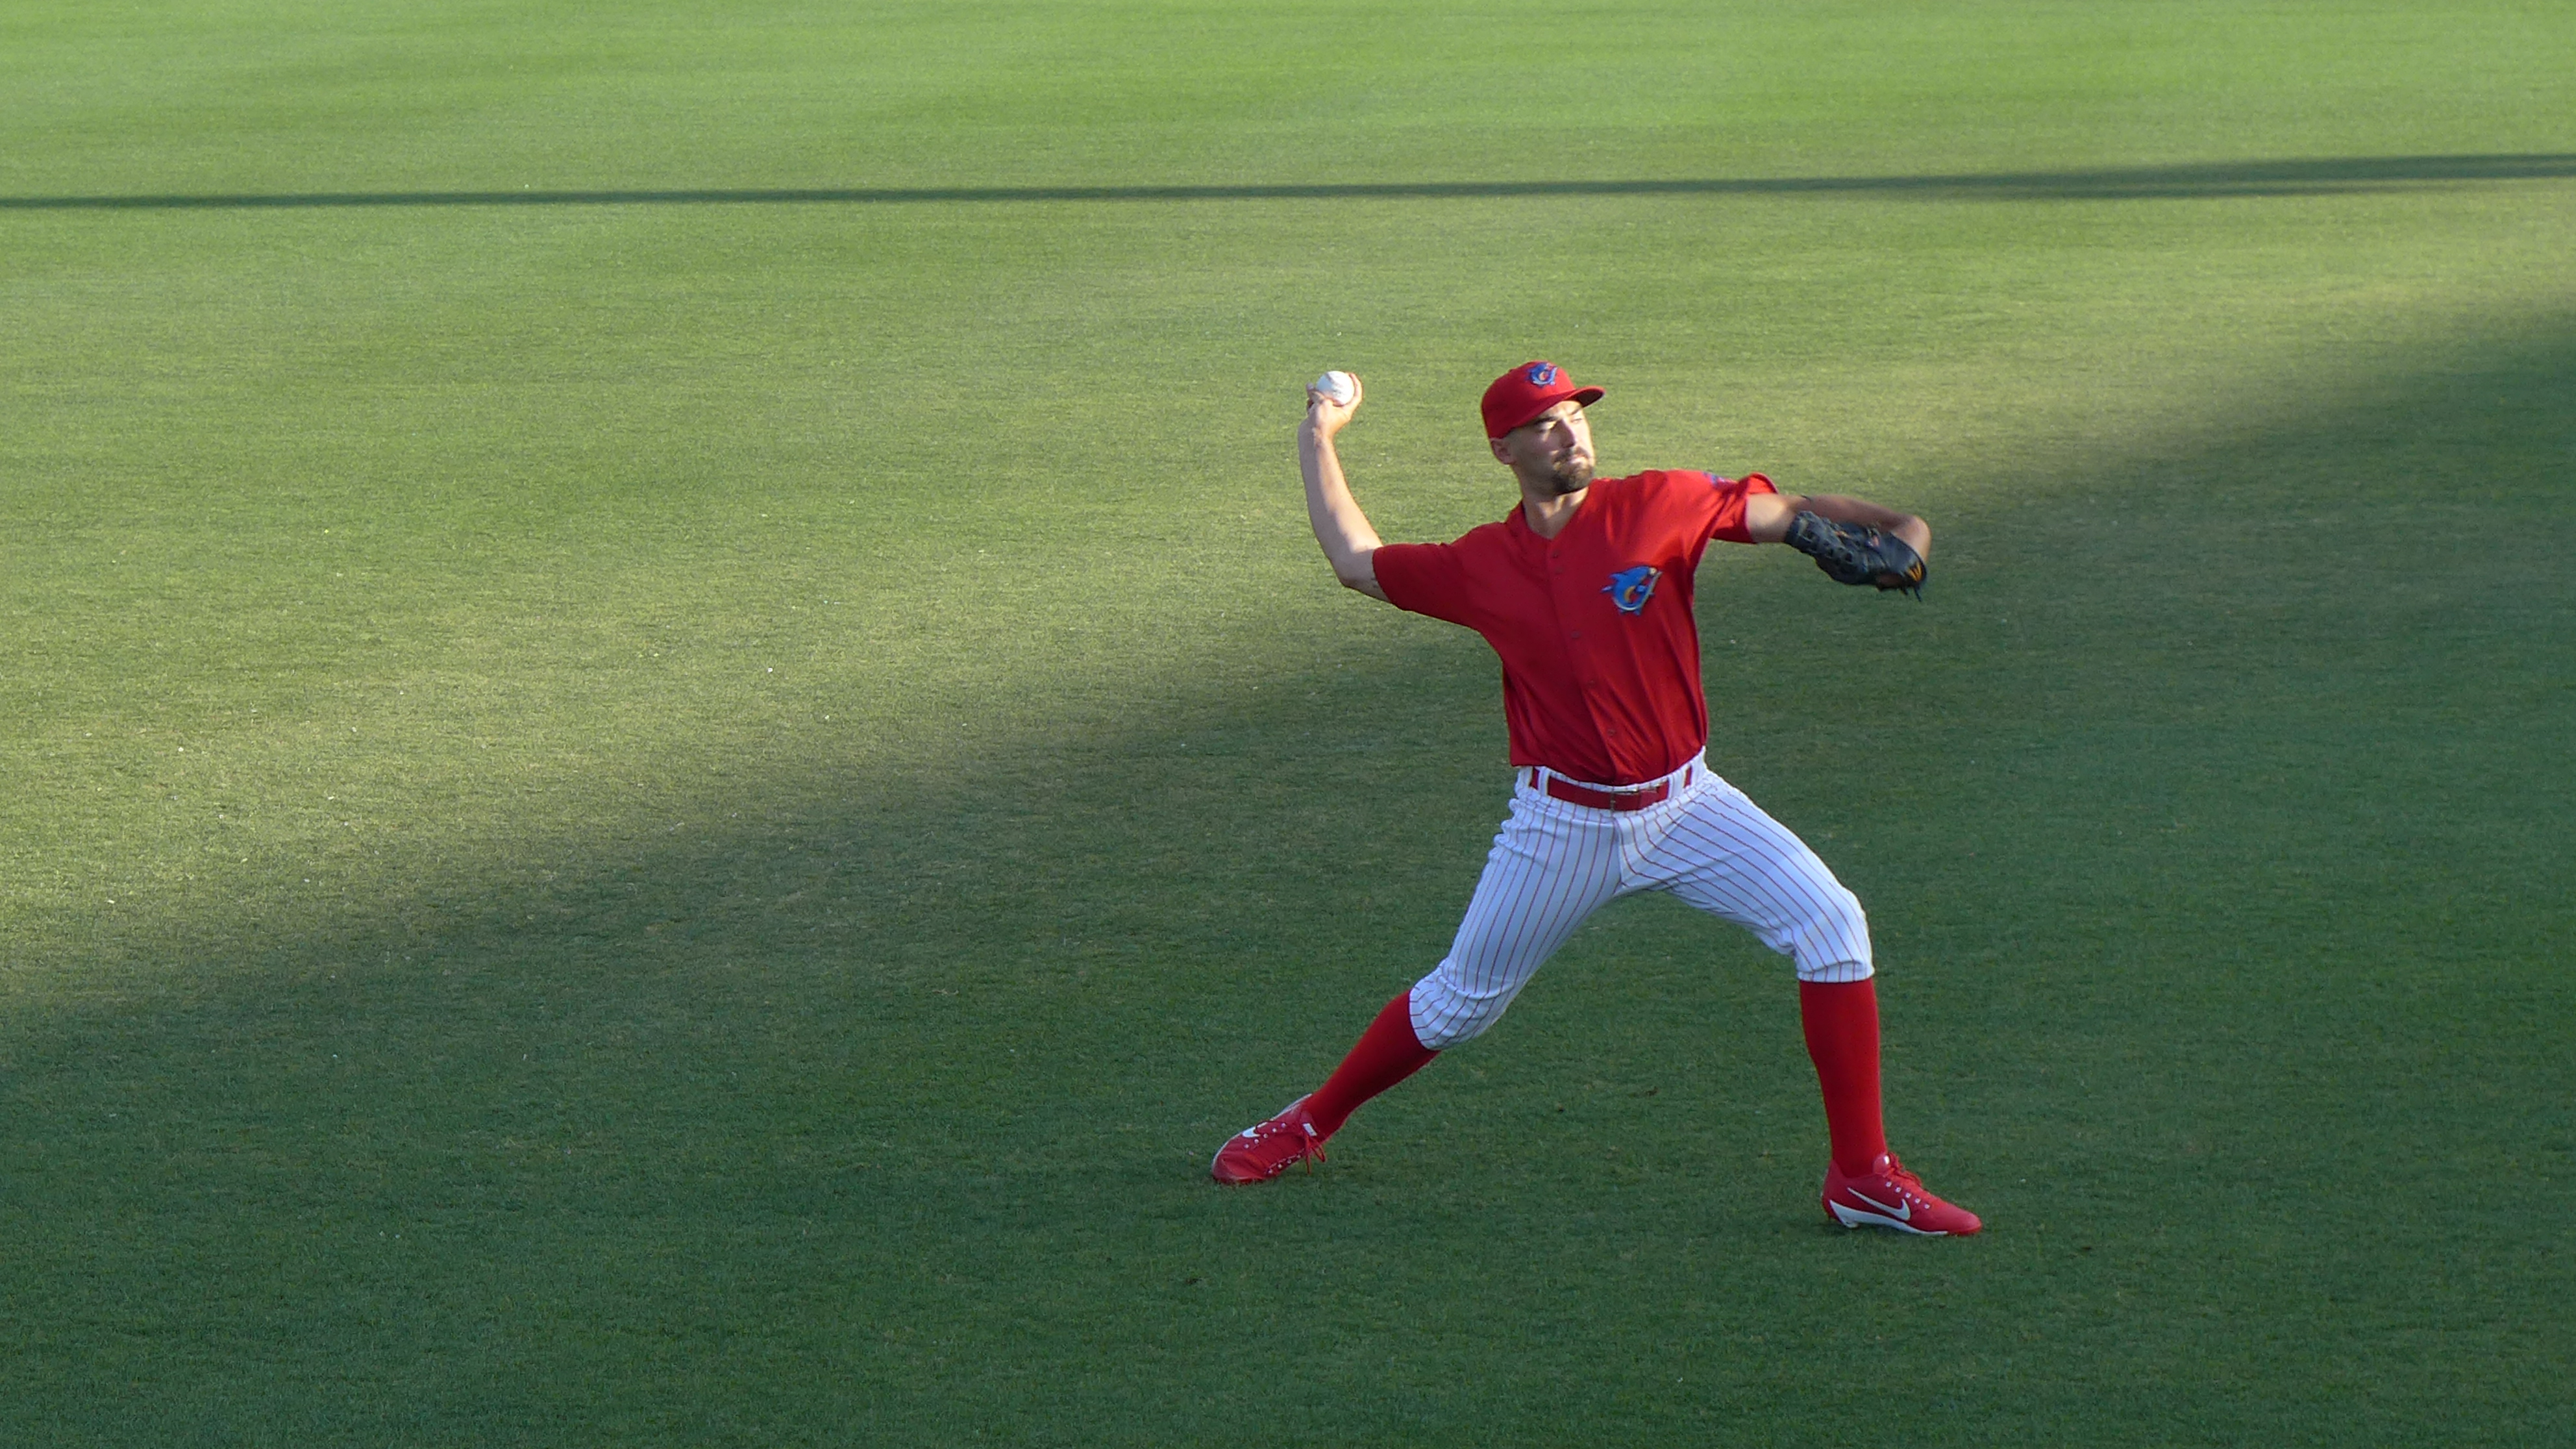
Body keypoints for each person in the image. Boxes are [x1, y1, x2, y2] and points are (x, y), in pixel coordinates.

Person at [1209, 360, 1980, 1236]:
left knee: (1833, 925)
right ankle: (1307, 1121)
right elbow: (1356, 562)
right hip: (1562, 825)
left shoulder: (1661, 502)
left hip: (1689, 807)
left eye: (1575, 415)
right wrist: (1318, 434)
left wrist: (1898, 525)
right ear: (1503, 451)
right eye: (1543, 425)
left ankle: (1863, 1176)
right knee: (1460, 1002)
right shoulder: (1481, 565)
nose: (1568, 432)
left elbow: (1790, 513)